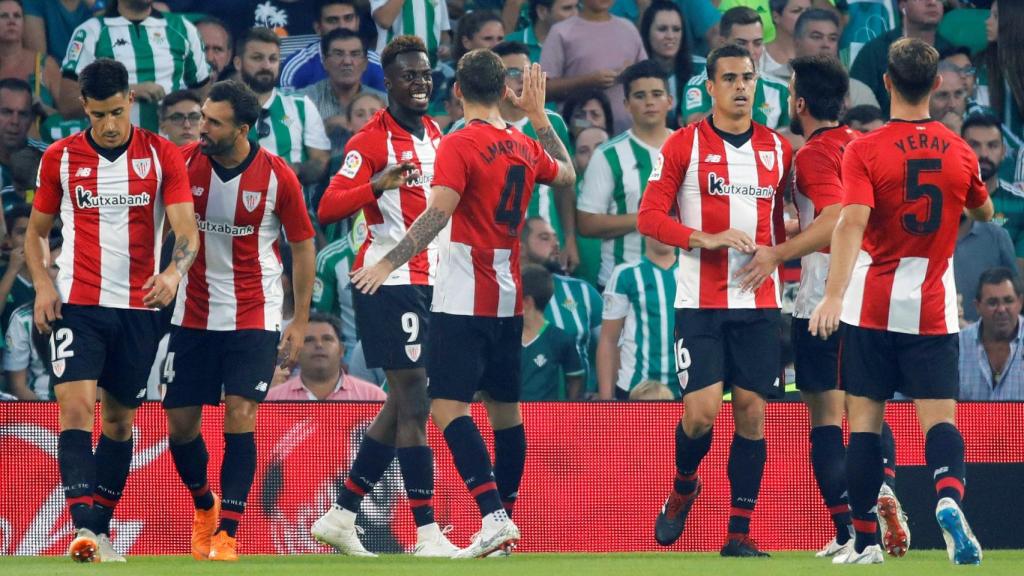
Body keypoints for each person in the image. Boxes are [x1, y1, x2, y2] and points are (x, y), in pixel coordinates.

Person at [350, 54, 576, 557]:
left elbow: (436, 214)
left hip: (462, 292)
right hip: (509, 293)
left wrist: (388, 263)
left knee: (448, 407)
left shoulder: (457, 142)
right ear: (504, 92)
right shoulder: (521, 143)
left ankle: (493, 517)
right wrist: (538, 117)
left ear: (457, 93)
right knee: (506, 413)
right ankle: (506, 524)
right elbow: (566, 174)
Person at [809, 38, 993, 565]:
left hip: (871, 309)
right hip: (933, 310)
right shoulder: (959, 150)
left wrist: (834, 294)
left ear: (886, 82)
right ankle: (947, 499)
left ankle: (866, 542)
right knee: (940, 424)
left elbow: (851, 222)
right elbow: (981, 212)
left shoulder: (864, 150)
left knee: (864, 428)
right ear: (936, 85)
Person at [28, 58, 199, 563]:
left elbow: (186, 232)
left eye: (117, 112)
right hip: (78, 304)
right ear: (83, 106)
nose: (108, 124)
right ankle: (83, 529)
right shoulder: (59, 157)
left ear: (132, 102)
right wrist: (42, 284)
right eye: (98, 113)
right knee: (76, 411)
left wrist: (171, 274)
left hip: (139, 309)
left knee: (120, 422)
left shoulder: (162, 154)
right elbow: (36, 234)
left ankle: (98, 532)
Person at [738, 54, 907, 559]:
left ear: (801, 102)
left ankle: (855, 530)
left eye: (790, 93)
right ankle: (878, 498)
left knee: (826, 418)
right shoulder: (862, 145)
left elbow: (834, 219)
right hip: (878, 294)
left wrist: (778, 253)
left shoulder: (812, 155)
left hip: (826, 299)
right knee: (870, 410)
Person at [637, 43, 792, 558]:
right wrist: (701, 238)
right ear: (709, 86)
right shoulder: (683, 146)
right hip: (699, 302)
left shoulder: (778, 148)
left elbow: (786, 220)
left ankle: (739, 533)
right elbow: (649, 217)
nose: (741, 86)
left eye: (748, 77)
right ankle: (684, 485)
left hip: (759, 301)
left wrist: (777, 253)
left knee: (751, 412)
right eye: (729, 78)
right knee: (701, 414)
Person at [311, 35, 459, 558]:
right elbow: (328, 207)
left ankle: (341, 513)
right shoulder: (369, 142)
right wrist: (377, 183)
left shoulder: (438, 133)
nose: (419, 84)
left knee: (402, 401)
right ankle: (426, 533)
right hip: (386, 281)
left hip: (432, 281)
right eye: (408, 76)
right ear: (388, 83)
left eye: (425, 75)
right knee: (415, 399)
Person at [163, 79, 315, 562]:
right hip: (192, 311)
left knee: (240, 412)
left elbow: (303, 245)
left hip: (255, 311)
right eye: (202, 117)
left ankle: (228, 531)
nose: (201, 127)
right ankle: (204, 504)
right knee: (180, 426)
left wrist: (298, 320)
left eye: (213, 121)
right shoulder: (184, 164)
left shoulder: (277, 176)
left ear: (243, 128)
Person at [449, 42, 578, 271]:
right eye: (513, 72)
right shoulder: (463, 129)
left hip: (545, 246)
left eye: (527, 72)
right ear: (496, 80)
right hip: (488, 248)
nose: (522, 79)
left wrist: (569, 237)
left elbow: (564, 186)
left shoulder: (552, 123)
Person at [578, 60, 674, 289]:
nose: (649, 102)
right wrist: (647, 219)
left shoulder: (693, 149)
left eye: (657, 94)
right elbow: (587, 223)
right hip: (621, 284)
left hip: (681, 283)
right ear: (626, 105)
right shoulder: (607, 155)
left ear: (670, 101)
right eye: (640, 96)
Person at [58, 0, 211, 133]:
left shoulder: (183, 29)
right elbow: (67, 104)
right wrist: (125, 93)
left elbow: (203, 97)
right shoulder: (91, 32)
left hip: (171, 155)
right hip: (114, 155)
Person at [236, 28, 330, 187]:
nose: (266, 65)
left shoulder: (301, 105)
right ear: (238, 63)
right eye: (257, 58)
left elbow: (320, 160)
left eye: (273, 59)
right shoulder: (221, 107)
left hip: (289, 206)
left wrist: (296, 170)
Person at [521, 217, 602, 397]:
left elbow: (610, 345)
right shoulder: (501, 293)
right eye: (544, 238)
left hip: (576, 413)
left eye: (555, 237)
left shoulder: (582, 291)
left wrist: (604, 393)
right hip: (512, 414)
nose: (556, 243)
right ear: (520, 247)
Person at [541, 0, 647, 135]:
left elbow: (647, 77)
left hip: (627, 134)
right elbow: (543, 89)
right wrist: (588, 81)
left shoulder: (629, 29)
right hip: (580, 135)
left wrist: (630, 73)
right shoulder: (561, 32)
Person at [596, 237, 679, 400]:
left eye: (671, 222)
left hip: (684, 389)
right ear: (643, 225)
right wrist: (605, 401)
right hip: (634, 388)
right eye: (658, 222)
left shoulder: (695, 273)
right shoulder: (625, 274)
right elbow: (608, 340)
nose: (665, 229)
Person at [682, 7, 790, 129]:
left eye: (757, 43)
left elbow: (799, 137)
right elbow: (693, 129)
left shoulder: (781, 89)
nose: (750, 51)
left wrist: (757, 144)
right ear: (723, 44)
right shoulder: (701, 84)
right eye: (741, 43)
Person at [849, 0, 952, 118]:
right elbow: (858, 106)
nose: (932, 2)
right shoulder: (875, 52)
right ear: (902, 4)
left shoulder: (952, 52)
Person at [302, 29, 388, 157]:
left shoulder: (384, 102)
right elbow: (284, 123)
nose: (347, 61)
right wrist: (322, 126)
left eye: (355, 54)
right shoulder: (305, 99)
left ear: (365, 64)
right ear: (325, 62)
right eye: (338, 54)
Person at [266, 313, 387, 401]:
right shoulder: (273, 399)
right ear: (296, 351)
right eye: (309, 340)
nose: (319, 345)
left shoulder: (373, 397)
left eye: (327, 339)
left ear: (341, 350)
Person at [280, 0, 386, 93]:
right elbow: (286, 113)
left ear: (358, 22)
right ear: (318, 27)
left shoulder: (376, 65)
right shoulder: (296, 68)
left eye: (348, 18)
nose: (342, 26)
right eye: (332, 20)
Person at [962, 113, 1024, 271]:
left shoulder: (1021, 204)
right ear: (960, 149)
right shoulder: (945, 200)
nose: (984, 154)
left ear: (1003, 151)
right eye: (974, 145)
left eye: (992, 145)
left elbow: (1019, 275)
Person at [520, 264, 584, 400]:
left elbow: (575, 378)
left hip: (546, 418)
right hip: (510, 418)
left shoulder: (560, 339)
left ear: (527, 302)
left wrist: (570, 413)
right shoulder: (504, 337)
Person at [959, 267, 1024, 401]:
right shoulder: (957, 345)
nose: (1001, 309)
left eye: (1008, 301)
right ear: (977, 306)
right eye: (992, 303)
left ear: (1020, 302)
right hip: (968, 422)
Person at [312, 236, 358, 358]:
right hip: (350, 349)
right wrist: (337, 357)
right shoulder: (329, 258)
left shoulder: (404, 250)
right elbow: (322, 316)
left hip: (394, 345)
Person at [370, 0, 452, 64]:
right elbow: (384, 21)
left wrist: (445, 46)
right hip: (390, 69)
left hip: (429, 69)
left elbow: (444, 33)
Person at [0, 79, 47, 190]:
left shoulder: (48, 158)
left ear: (31, 119)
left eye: (23, 114)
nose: (15, 121)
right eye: (7, 112)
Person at [505, 0, 579, 63]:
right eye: (567, 8)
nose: (575, 14)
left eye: (577, 7)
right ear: (542, 11)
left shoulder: (581, 44)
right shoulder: (508, 44)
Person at [760, 0, 810, 84]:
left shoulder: (819, 55)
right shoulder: (759, 55)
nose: (805, 17)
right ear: (776, 16)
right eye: (796, 11)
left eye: (809, 11)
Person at [195, 17, 235, 84]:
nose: (210, 58)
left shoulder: (236, 93)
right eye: (203, 48)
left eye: (217, 50)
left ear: (228, 57)